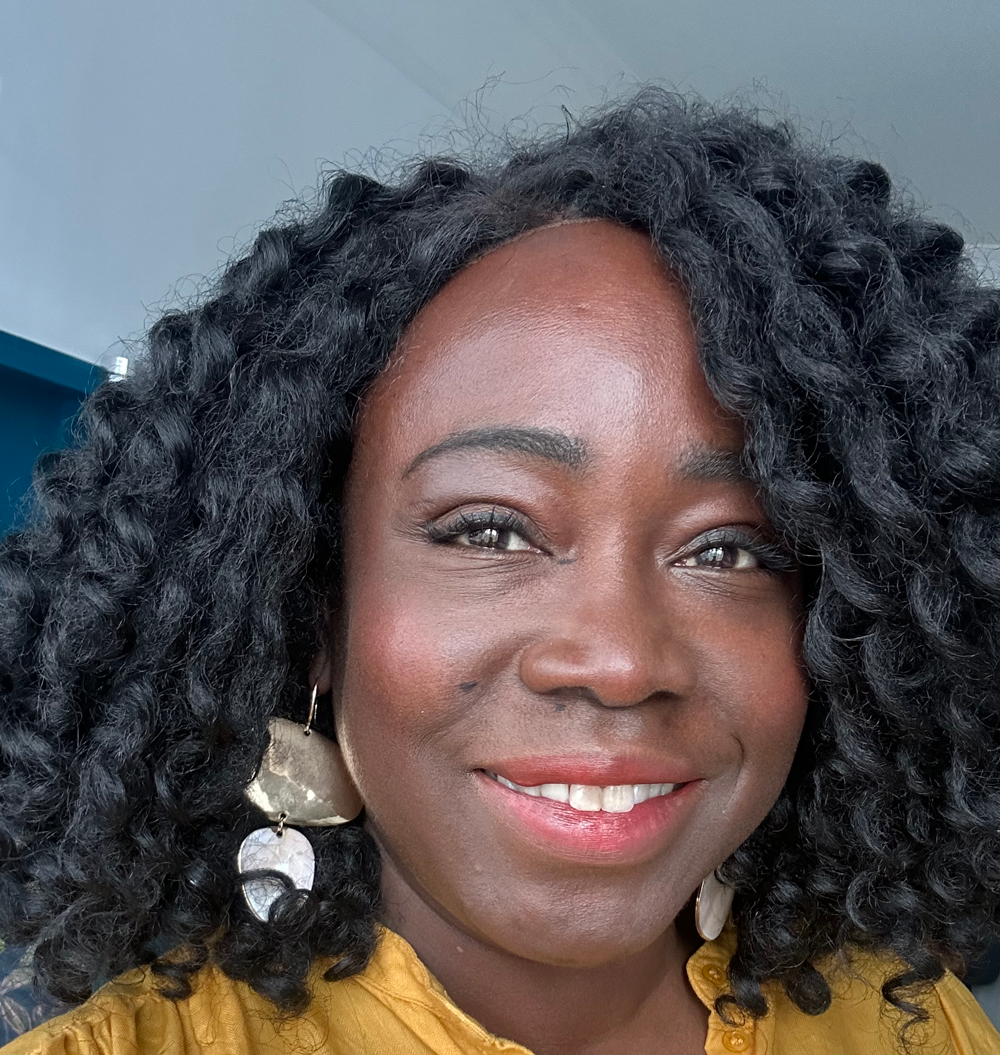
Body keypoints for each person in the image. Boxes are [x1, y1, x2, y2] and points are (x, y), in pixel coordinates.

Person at [1, 89, 999, 1055]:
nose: (615, 659)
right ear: (311, 603)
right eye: (488, 530)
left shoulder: (913, 1023)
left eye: (731, 547)